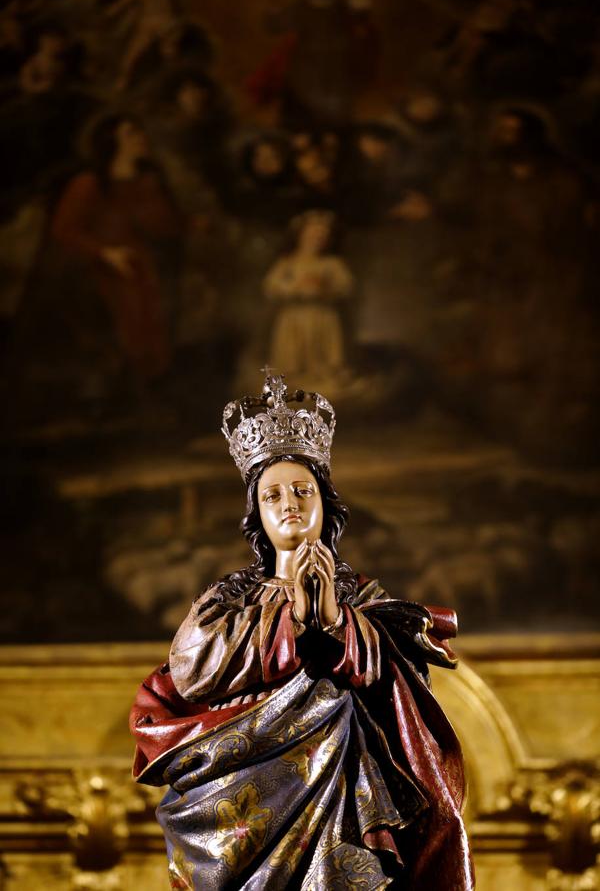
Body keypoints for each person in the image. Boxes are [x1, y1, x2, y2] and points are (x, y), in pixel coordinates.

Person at [130, 373, 474, 890]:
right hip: (247, 787)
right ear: (258, 515)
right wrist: (291, 618)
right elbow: (192, 666)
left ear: (324, 502)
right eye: (272, 495)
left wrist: (337, 620)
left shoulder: (363, 597)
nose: (289, 502)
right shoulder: (230, 597)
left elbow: (400, 690)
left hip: (345, 791)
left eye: (301, 490)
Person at [50, 112, 183, 383]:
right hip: (98, 268)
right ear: (112, 142)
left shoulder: (148, 180)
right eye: (131, 134)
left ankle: (154, 382)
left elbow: (167, 226)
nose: (141, 139)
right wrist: (103, 252)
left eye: (139, 133)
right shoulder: (88, 184)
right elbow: (65, 230)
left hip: (144, 264)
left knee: (155, 323)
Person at [263, 210, 352, 390]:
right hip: (293, 318)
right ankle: (293, 385)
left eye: (322, 236)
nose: (317, 239)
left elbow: (345, 287)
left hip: (322, 317)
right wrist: (296, 286)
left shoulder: (331, 264)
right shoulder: (288, 263)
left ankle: (322, 382)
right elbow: (271, 286)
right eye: (312, 235)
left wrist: (325, 287)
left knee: (321, 359)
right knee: (292, 357)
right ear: (301, 235)